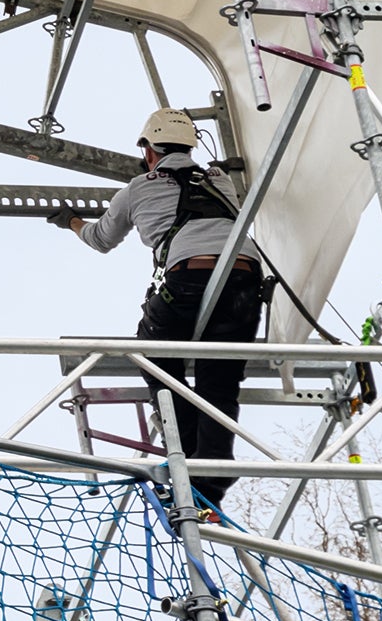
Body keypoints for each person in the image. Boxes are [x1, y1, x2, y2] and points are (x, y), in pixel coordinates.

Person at [56, 106, 265, 517]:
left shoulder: (137, 187)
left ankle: (186, 457)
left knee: (156, 357)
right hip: (245, 280)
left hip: (189, 280)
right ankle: (210, 486)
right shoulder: (220, 179)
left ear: (149, 151)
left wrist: (72, 222)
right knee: (218, 384)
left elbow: (101, 239)